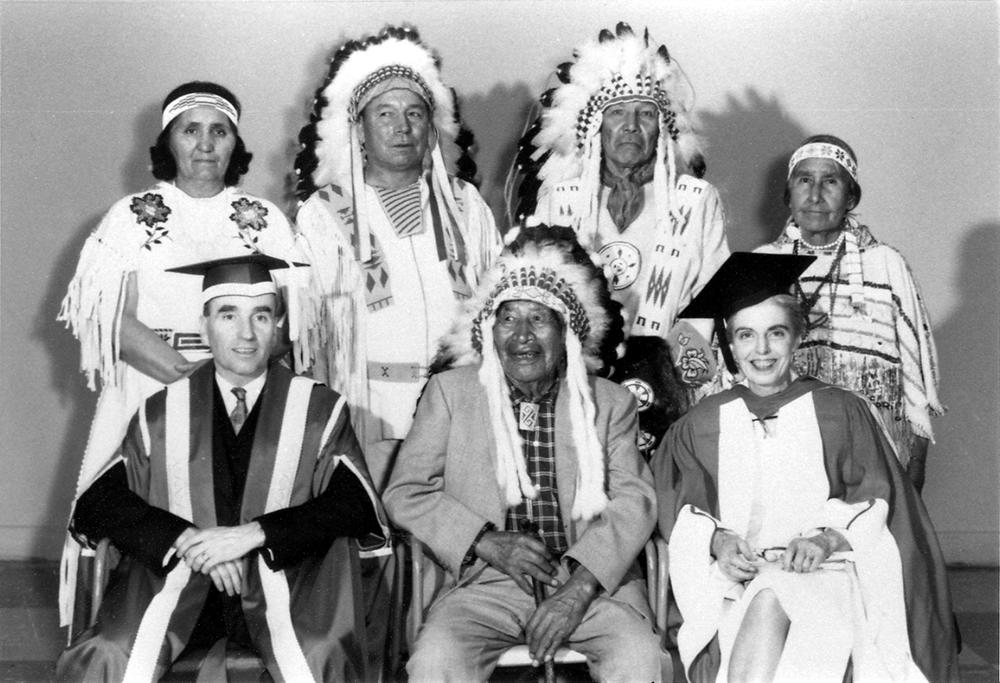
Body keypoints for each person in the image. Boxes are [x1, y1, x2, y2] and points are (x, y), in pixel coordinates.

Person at [56, 254, 389, 682]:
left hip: (286, 586)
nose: (246, 334)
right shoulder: (161, 413)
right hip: (182, 587)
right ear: (204, 325)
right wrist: (189, 541)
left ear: (278, 326)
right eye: (228, 315)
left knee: (321, 653)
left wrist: (253, 535)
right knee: (109, 652)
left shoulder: (317, 409)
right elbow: (99, 503)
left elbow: (354, 503)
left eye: (261, 316)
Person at [56, 81, 308, 626]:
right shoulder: (131, 216)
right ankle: (116, 633)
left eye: (219, 131)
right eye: (190, 130)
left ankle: (240, 628)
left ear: (235, 143)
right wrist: (195, 384)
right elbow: (112, 321)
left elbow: (290, 322)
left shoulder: (263, 218)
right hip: (151, 387)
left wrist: (231, 381)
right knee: (128, 516)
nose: (204, 144)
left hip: (245, 392)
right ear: (168, 141)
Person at [653, 252, 958, 682]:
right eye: (745, 335)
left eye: (775, 334)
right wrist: (717, 540)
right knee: (759, 598)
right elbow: (676, 508)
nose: (761, 350)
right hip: (736, 578)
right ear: (730, 345)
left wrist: (828, 539)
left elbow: (881, 500)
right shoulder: (699, 425)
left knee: (772, 598)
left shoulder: (841, 410)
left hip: (828, 573)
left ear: (797, 338)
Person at [384, 225, 664, 682]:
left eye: (539, 319)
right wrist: (485, 542)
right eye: (508, 319)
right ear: (489, 330)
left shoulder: (609, 402)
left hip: (591, 583)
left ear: (567, 332)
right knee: (435, 663)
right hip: (485, 584)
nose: (522, 336)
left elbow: (636, 503)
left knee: (640, 659)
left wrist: (577, 587)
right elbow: (406, 491)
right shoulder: (451, 394)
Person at [294, 24, 501, 490]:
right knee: (378, 541)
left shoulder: (466, 205)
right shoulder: (324, 212)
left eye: (414, 113)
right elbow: (308, 332)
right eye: (384, 113)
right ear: (359, 129)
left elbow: (499, 302)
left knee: (456, 531)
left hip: (462, 404)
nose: (401, 127)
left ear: (432, 128)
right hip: (368, 406)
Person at [513, 22, 729, 387]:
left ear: (662, 129)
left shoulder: (695, 201)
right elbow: (540, 296)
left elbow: (712, 297)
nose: (631, 125)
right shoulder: (560, 200)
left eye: (645, 114)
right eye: (617, 113)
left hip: (669, 380)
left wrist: (665, 375)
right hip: (580, 379)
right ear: (595, 127)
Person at [755, 135, 943, 491]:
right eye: (804, 180)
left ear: (851, 196)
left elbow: (914, 374)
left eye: (831, 181)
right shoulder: (761, 262)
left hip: (872, 448)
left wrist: (916, 461)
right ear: (788, 194)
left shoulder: (885, 264)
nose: (815, 195)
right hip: (784, 445)